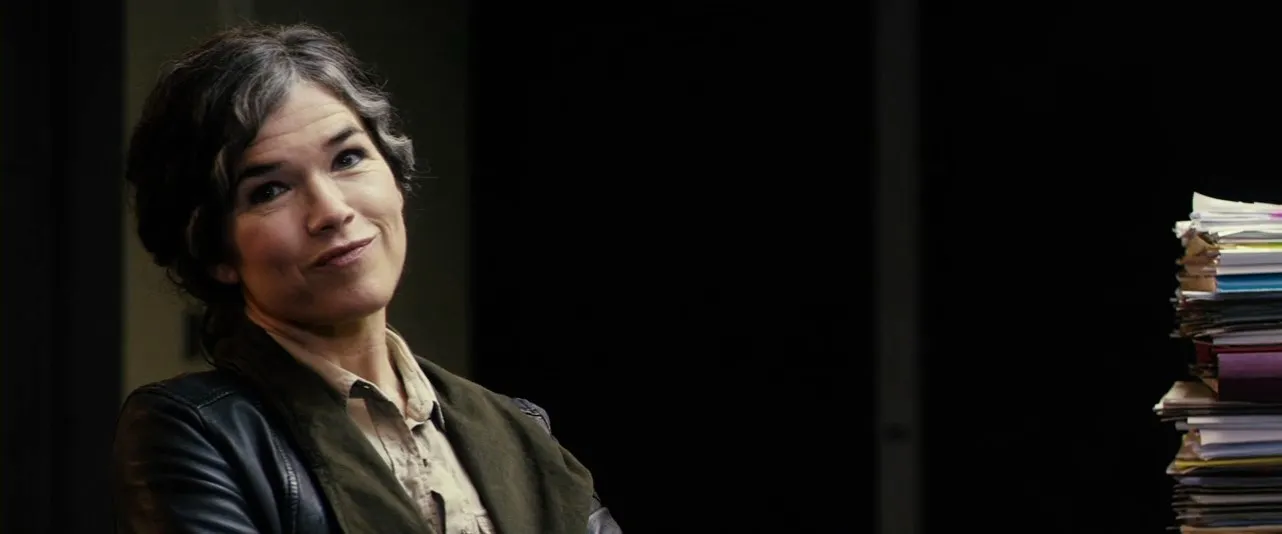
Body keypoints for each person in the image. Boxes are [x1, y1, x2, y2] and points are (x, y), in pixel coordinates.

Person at [111, 23, 621, 534]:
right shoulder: (196, 432)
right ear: (212, 250)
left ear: (396, 176)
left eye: (348, 158)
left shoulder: (518, 431)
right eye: (269, 190)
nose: (331, 210)